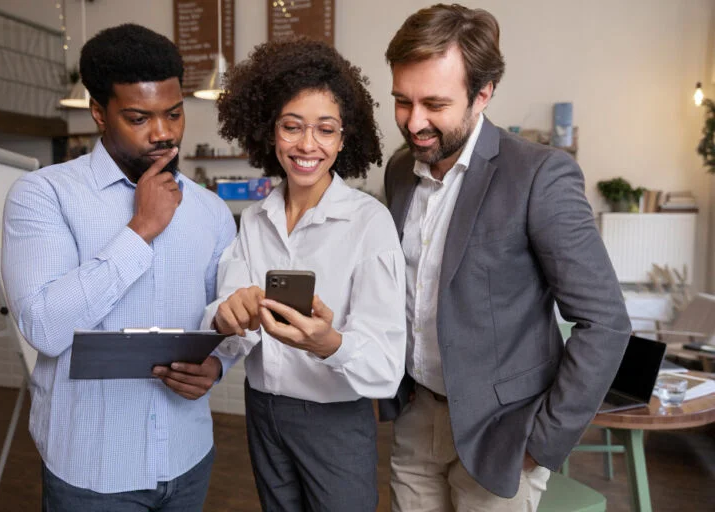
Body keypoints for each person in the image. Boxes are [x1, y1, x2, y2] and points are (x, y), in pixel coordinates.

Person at [378, 4, 632, 511]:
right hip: (417, 418)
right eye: (402, 101)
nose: (414, 121)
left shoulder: (540, 175)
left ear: (483, 93)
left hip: (503, 434)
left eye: (434, 103)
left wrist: (541, 443)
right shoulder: (401, 169)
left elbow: (605, 322)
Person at [1, 24, 235, 511]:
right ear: (98, 115)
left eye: (174, 114)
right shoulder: (43, 195)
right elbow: (43, 325)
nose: (164, 133)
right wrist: (141, 229)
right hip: (92, 465)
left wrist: (217, 365)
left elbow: (226, 312)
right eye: (138, 117)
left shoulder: (210, 210)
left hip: (187, 455)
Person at [203, 38, 407, 511]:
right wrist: (226, 315)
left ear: (343, 138)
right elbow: (232, 328)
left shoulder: (368, 222)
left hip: (334, 421)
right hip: (263, 412)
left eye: (325, 130)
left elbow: (386, 364)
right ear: (269, 131)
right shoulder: (254, 219)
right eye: (292, 127)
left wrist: (329, 343)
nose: (307, 145)